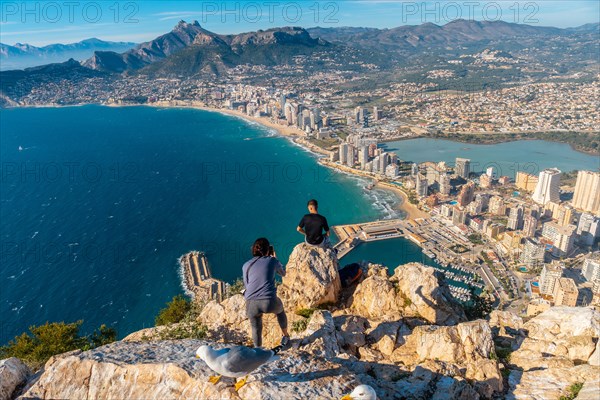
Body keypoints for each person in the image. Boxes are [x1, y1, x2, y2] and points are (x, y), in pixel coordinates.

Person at [242, 238, 290, 348]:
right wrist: (275, 259)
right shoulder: (272, 261)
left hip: (251, 303)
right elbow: (283, 273)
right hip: (269, 301)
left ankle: (257, 350)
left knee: (256, 327)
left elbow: (247, 285)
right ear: (268, 250)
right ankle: (286, 336)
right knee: (280, 311)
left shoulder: (245, 265)